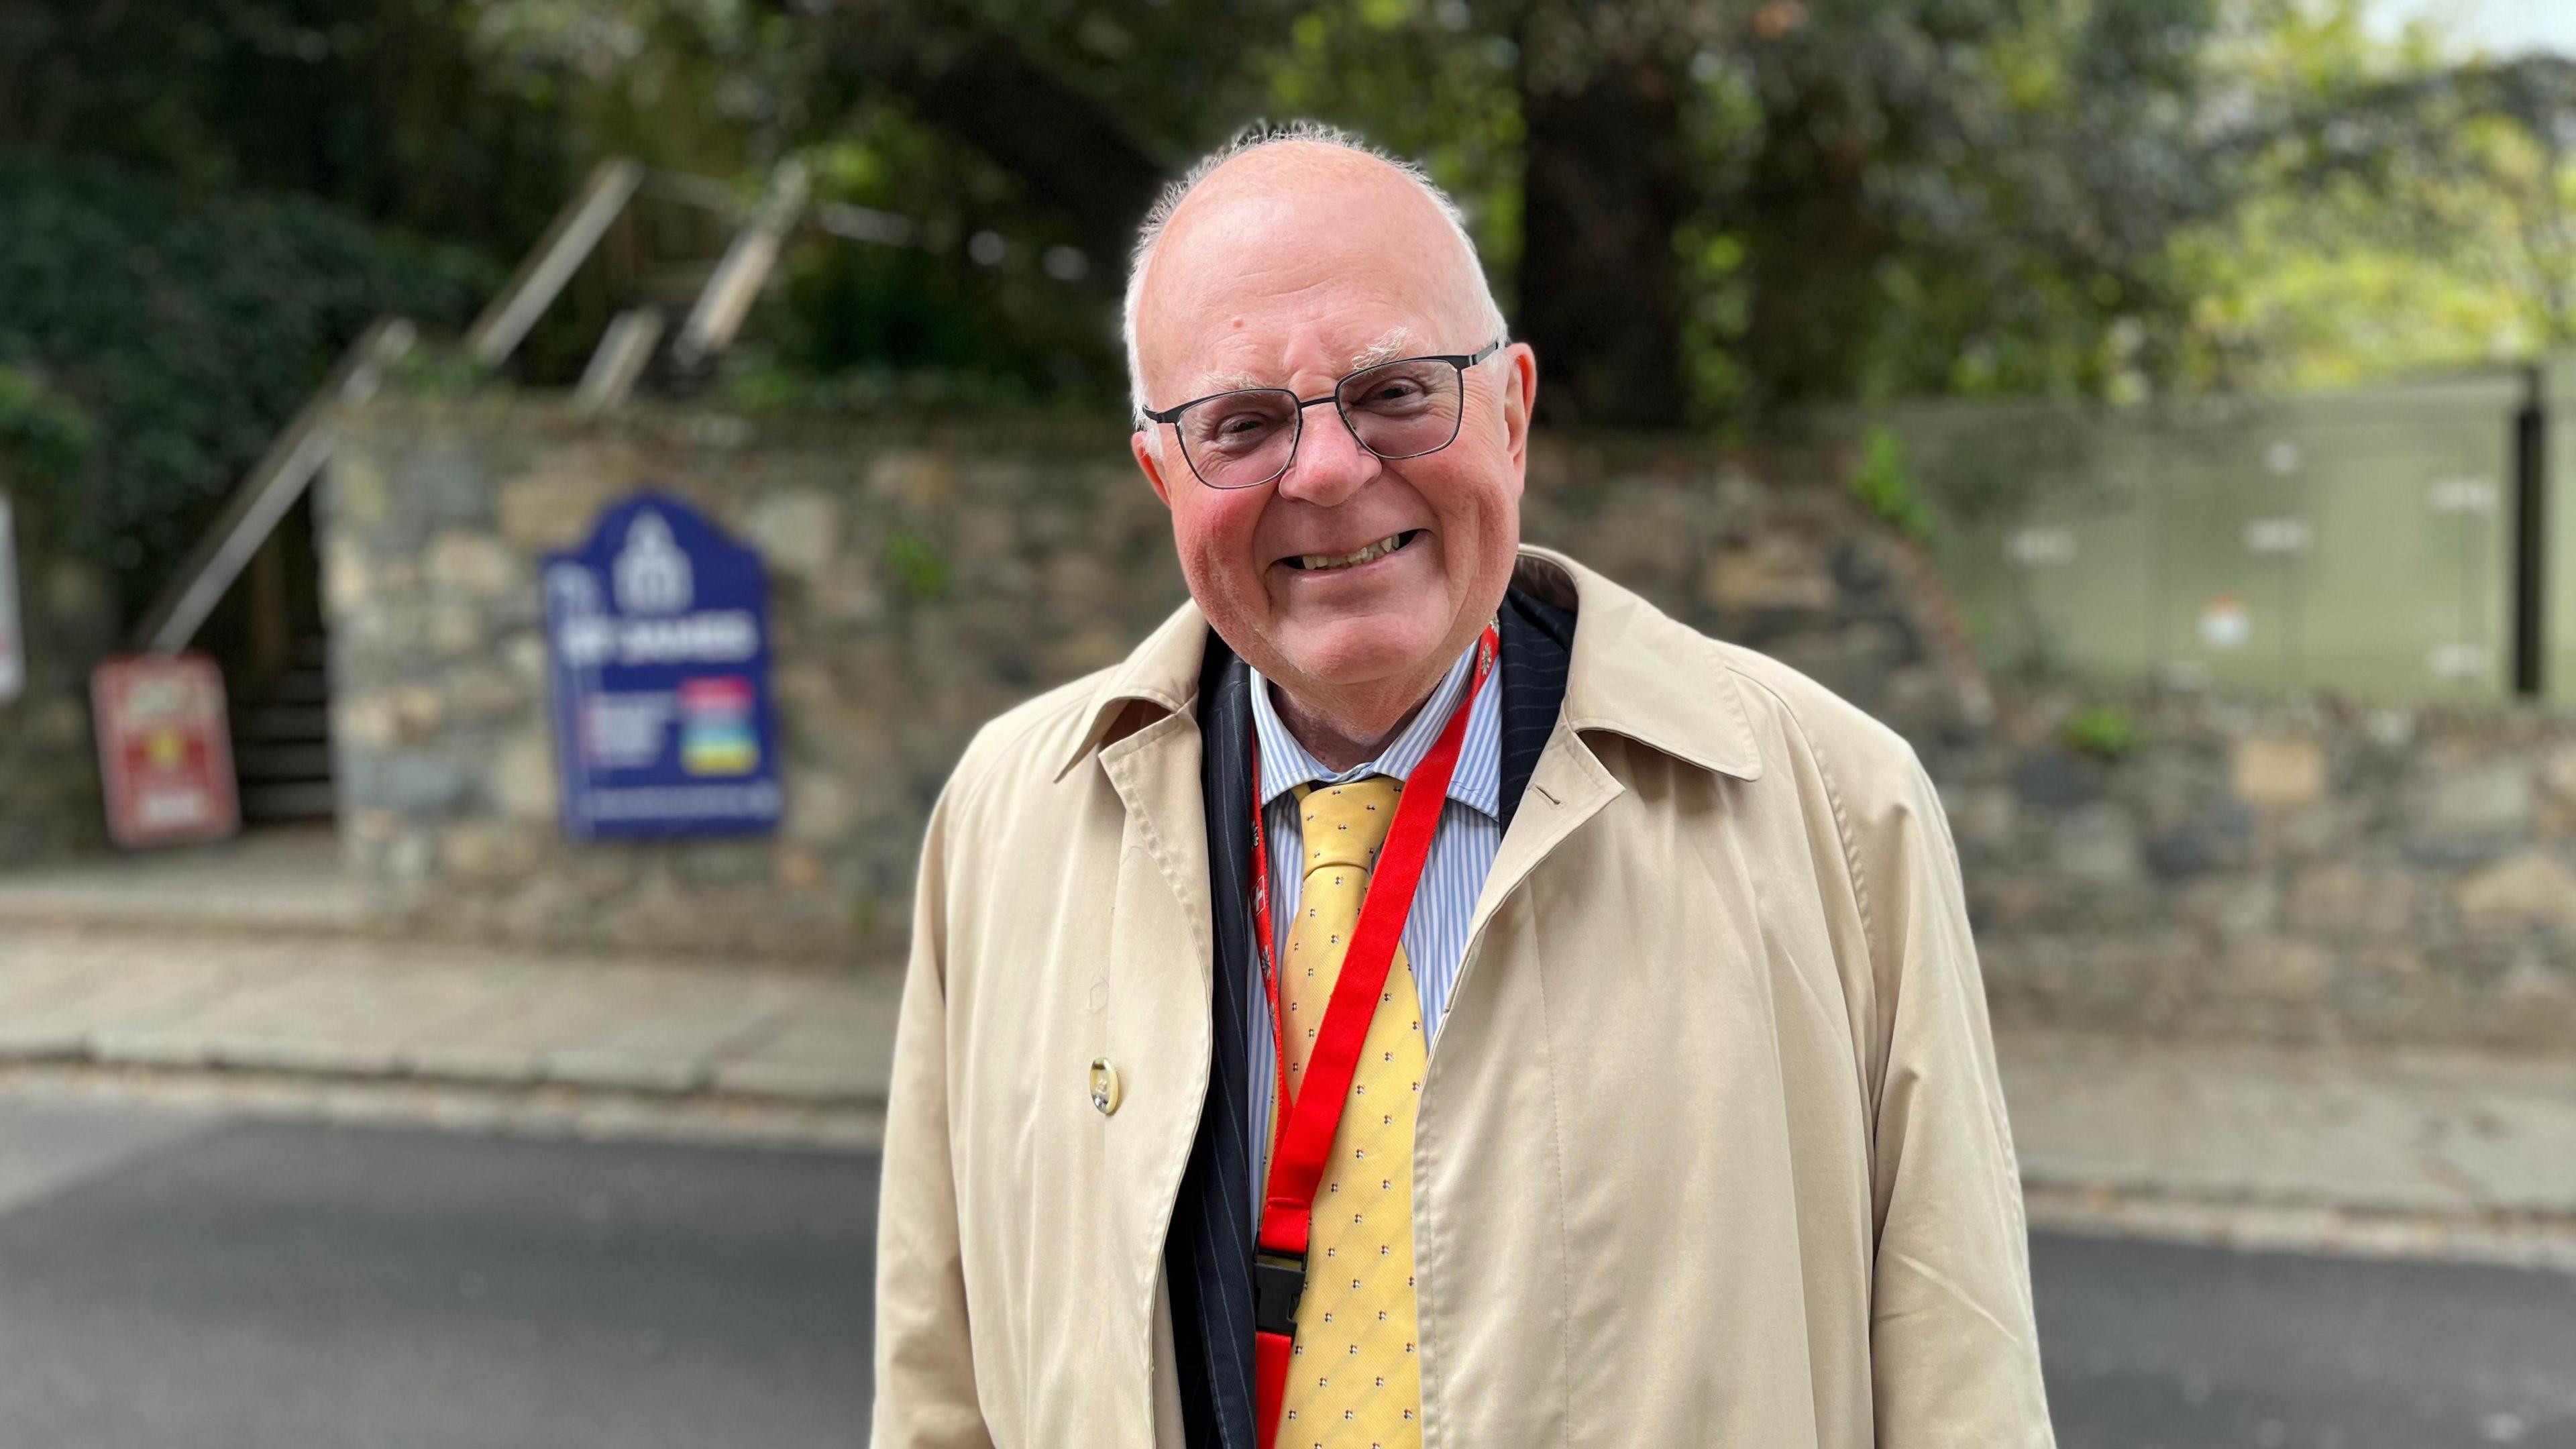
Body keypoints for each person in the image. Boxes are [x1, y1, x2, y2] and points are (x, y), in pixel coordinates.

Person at [872, 121, 2054, 1448]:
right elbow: (939, 1388)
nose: (1327, 471)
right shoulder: (1005, 817)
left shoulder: (1834, 806)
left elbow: (1965, 1373)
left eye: (1394, 394)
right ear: (1162, 476)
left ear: (1512, 409)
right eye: (1242, 425)